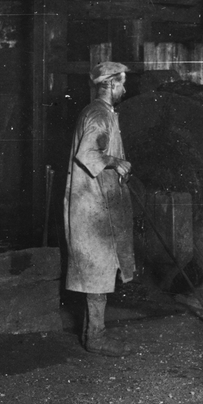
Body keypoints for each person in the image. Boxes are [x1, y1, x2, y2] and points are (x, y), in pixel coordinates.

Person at [63, 61, 137, 356]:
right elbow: (88, 153)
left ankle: (93, 333)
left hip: (98, 199)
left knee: (101, 268)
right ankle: (96, 337)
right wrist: (114, 162)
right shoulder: (98, 114)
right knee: (97, 269)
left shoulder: (103, 112)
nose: (124, 89)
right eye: (122, 83)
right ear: (112, 84)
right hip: (91, 203)